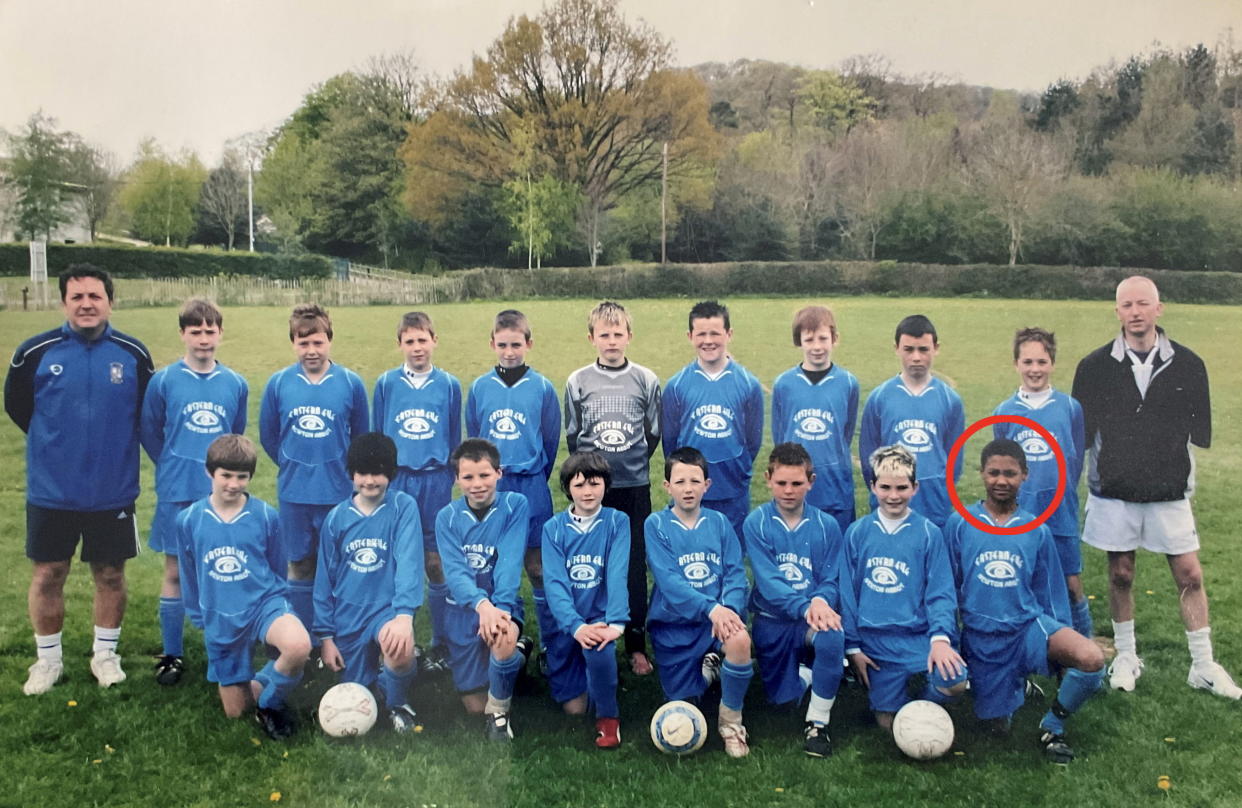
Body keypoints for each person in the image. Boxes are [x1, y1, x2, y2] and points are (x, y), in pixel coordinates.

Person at [1072, 275, 1239, 699]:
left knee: (1189, 573)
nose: (1135, 312)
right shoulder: (1093, 367)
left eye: (1143, 304)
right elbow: (1083, 435)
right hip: (1114, 489)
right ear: (1117, 312)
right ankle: (1126, 656)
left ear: (1158, 309)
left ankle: (1203, 664)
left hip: (1168, 491)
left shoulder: (1188, 364)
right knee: (1121, 573)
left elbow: (1198, 431)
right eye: (1126, 305)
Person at [5, 264, 154, 695]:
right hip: (53, 490)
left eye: (95, 296)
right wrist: (57, 447)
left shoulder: (133, 354)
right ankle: (47, 660)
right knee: (49, 572)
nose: (87, 304)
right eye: (77, 297)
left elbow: (146, 414)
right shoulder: (34, 352)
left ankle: (105, 654)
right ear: (63, 302)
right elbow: (19, 408)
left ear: (110, 301)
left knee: (109, 573)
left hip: (113, 489)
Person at [944, 439, 1105, 763]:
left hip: (1027, 628)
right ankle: (1014, 685)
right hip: (982, 637)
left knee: (1090, 658)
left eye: (1010, 473)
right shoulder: (959, 523)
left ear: (1024, 476)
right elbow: (946, 587)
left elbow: (1050, 593)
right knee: (996, 728)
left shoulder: (1036, 529)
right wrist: (950, 639)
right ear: (982, 474)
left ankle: (1053, 724)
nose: (1001, 480)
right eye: (994, 473)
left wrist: (1062, 647)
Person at [140, 298, 248, 685]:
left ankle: (228, 643)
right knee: (175, 571)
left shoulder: (235, 383)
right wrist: (172, 463)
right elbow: (151, 432)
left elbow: (235, 436)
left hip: (221, 495)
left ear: (220, 333)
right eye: (195, 331)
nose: (203, 339)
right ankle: (172, 654)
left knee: (222, 565)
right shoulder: (164, 380)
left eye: (210, 331)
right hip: (176, 488)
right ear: (183, 334)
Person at [177, 435, 311, 739]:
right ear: (209, 472)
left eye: (242, 477)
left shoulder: (265, 515)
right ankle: (261, 683)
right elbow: (189, 572)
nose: (234, 484)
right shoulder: (189, 520)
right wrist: (198, 614)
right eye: (226, 475)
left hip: (264, 603)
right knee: (237, 713)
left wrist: (280, 610)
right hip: (221, 614)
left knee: (299, 646)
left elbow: (278, 568)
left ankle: (271, 704)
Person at [259, 303, 369, 642]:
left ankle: (340, 634)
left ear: (330, 341)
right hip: (295, 493)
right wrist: (296, 465)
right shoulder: (278, 384)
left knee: (339, 567)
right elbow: (269, 436)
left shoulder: (350, 383)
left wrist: (337, 470)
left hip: (337, 492)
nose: (311, 351)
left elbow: (362, 437)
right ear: (293, 343)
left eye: (318, 342)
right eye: (303, 343)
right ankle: (304, 636)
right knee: (301, 565)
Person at [840, 445, 967, 732]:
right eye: (885, 487)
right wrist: (853, 647)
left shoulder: (928, 534)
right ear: (872, 486)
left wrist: (940, 640)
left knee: (955, 680)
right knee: (889, 726)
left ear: (915, 488)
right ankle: (895, 701)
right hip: (875, 643)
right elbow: (847, 595)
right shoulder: (858, 533)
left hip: (916, 637)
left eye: (901, 487)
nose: (893, 495)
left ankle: (925, 703)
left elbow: (941, 593)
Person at [564, 300, 661, 676]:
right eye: (604, 334)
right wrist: (592, 477)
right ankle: (591, 633)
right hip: (592, 491)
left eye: (618, 334)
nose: (611, 341)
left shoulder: (646, 380)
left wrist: (627, 462)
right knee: (592, 563)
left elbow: (652, 433)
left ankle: (635, 642)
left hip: (634, 486)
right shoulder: (578, 381)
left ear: (629, 336)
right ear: (592, 338)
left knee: (634, 565)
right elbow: (573, 436)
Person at [645, 447, 754, 758]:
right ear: (667, 486)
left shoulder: (720, 523)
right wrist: (711, 608)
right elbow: (669, 582)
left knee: (740, 641)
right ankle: (710, 670)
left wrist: (729, 611)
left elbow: (735, 572)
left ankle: (731, 724)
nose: (688, 488)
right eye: (680, 482)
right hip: (674, 625)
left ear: (707, 484)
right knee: (683, 704)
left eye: (695, 481)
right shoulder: (656, 525)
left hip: (716, 621)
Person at [315, 433, 424, 732]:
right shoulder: (337, 519)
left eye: (378, 472)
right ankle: (378, 673)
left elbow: (409, 564)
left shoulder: (403, 507)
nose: (370, 480)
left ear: (391, 473)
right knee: (358, 693)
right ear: (351, 474)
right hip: (348, 615)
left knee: (398, 646)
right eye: (362, 472)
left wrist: (403, 617)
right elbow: (324, 580)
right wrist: (325, 638)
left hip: (386, 610)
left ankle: (398, 703)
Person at [742, 443, 846, 758]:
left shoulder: (827, 526)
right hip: (772, 620)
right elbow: (770, 583)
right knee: (781, 702)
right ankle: (809, 672)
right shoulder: (756, 523)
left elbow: (831, 579)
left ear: (811, 481)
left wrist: (820, 602)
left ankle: (818, 723)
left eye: (797, 483)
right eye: (782, 483)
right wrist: (806, 605)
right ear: (768, 479)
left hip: (810, 619)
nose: (789, 490)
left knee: (832, 637)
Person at [372, 311, 462, 673]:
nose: (417, 347)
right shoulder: (386, 384)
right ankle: (383, 637)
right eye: (409, 341)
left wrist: (450, 472)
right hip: (397, 480)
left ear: (434, 341)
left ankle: (441, 641)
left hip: (435, 479)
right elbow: (378, 432)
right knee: (391, 558)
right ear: (400, 345)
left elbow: (454, 434)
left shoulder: (450, 385)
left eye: (422, 340)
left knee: (434, 560)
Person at [466, 309, 561, 650]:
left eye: (516, 344)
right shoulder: (479, 388)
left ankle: (551, 643)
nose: (509, 351)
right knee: (493, 567)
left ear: (528, 344)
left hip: (531, 483)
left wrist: (534, 473)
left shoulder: (543, 388)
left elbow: (550, 439)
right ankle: (509, 632)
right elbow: (474, 440)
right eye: (503, 344)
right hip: (493, 489)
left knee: (537, 566)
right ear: (492, 343)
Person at [991, 327, 1091, 638]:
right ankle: (1029, 644)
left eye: (1042, 362)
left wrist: (1060, 493)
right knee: (1022, 579)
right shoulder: (1004, 412)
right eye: (1028, 362)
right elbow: (1002, 466)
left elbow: (1074, 461)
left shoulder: (1070, 407)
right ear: (1016, 364)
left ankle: (1084, 646)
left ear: (1052, 363)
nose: (1035, 369)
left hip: (1060, 510)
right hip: (1023, 511)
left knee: (1071, 582)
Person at [434, 438, 532, 740]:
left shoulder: (515, 505)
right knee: (474, 707)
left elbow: (509, 559)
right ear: (456, 479)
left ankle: (499, 713)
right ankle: (520, 654)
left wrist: (499, 607)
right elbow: (456, 572)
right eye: (468, 477)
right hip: (463, 610)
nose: (477, 484)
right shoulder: (446, 517)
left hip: (499, 604)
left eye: (485, 475)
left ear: (499, 473)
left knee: (500, 636)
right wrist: (481, 605)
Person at [540, 451, 630, 748]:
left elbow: (617, 574)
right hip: (568, 624)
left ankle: (609, 718)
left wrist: (615, 623)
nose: (588, 492)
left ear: (606, 484)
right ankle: (582, 673)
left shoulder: (617, 522)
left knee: (599, 649)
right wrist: (575, 626)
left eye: (595, 483)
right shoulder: (553, 529)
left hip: (599, 619)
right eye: (579, 485)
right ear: (568, 489)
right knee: (575, 710)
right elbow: (555, 584)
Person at [661, 300, 764, 540]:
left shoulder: (749, 385)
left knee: (730, 552)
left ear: (729, 334)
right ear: (690, 336)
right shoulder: (677, 385)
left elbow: (753, 440)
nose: (708, 341)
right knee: (692, 550)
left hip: (732, 486)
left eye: (715, 333)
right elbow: (670, 441)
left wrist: (737, 467)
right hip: (690, 489)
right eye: (701, 334)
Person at [859, 314, 964, 528]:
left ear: (936, 348)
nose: (916, 357)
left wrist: (939, 488)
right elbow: (868, 456)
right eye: (909, 349)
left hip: (934, 504)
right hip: (889, 504)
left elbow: (955, 460)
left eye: (923, 349)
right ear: (897, 348)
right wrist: (885, 490)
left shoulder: (950, 400)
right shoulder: (880, 397)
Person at [771, 305, 859, 533]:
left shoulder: (848, 383)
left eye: (823, 338)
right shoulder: (784, 383)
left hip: (834, 483)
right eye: (809, 340)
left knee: (835, 552)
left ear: (835, 339)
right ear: (799, 341)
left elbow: (845, 432)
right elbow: (780, 435)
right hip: (795, 483)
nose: (817, 347)